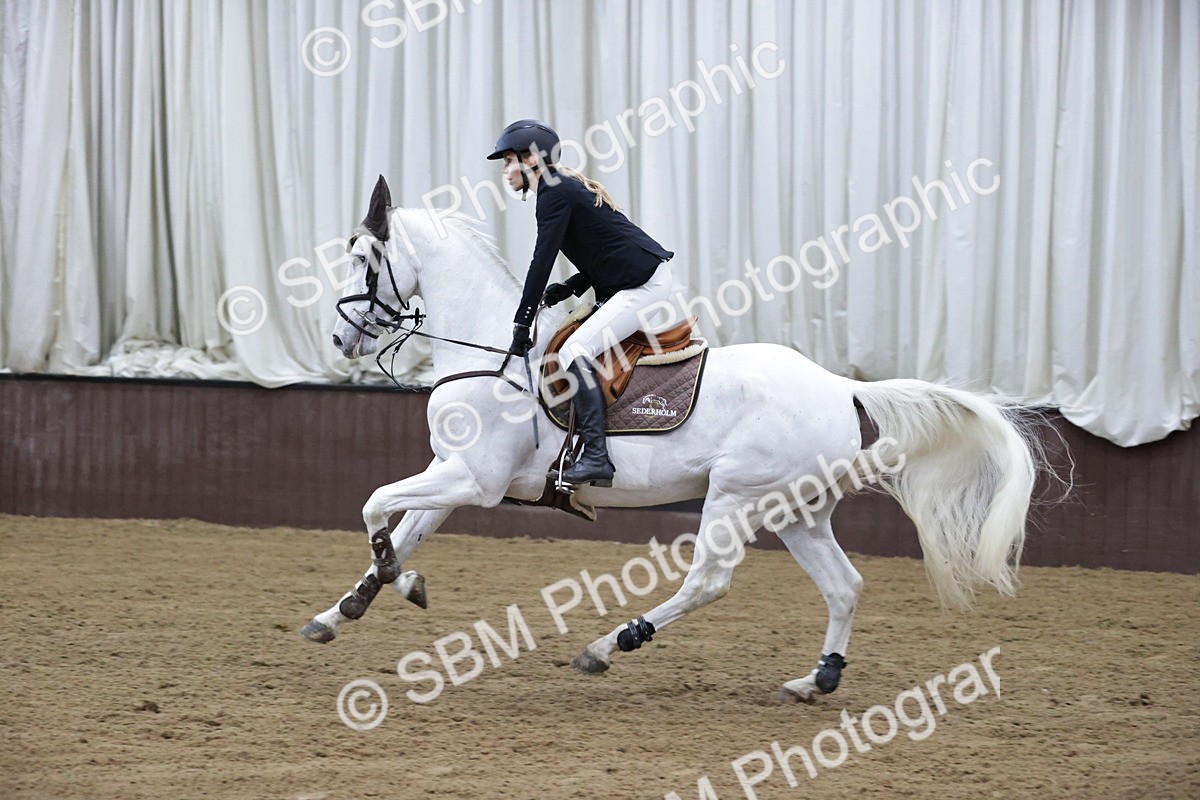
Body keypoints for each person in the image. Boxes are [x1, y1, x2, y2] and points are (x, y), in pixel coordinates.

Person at [486, 119, 676, 488]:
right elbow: (603, 248)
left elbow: (542, 260)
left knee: (574, 351)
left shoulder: (553, 192)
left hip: (644, 285)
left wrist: (522, 321)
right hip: (635, 279)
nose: (505, 171)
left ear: (531, 159)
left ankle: (597, 457)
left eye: (508, 161)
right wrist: (569, 287)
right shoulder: (559, 187)